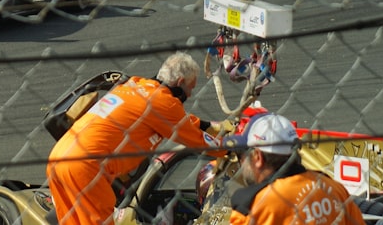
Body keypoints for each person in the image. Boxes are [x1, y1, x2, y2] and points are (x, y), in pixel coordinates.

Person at [47, 52, 226, 225]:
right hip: (87, 168)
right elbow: (200, 142)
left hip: (59, 157)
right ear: (180, 82)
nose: (190, 95)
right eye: (191, 88)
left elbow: (179, 119)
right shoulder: (163, 102)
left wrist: (211, 125)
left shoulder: (133, 85)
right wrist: (234, 147)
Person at [227, 113, 366, 225]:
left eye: (241, 156)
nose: (241, 164)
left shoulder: (252, 207)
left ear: (258, 157)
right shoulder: (334, 189)